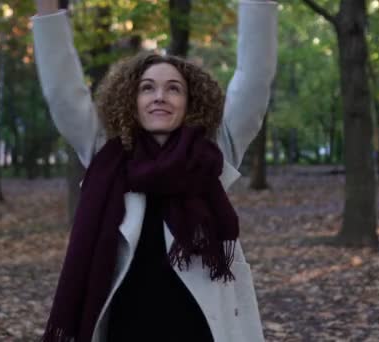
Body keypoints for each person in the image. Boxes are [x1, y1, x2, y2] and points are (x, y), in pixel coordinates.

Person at [31, 0, 277, 341]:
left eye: (173, 88)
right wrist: (47, 11)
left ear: (191, 103)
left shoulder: (212, 154)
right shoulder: (108, 155)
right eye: (147, 88)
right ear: (130, 100)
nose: (160, 96)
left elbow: (254, 80)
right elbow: (63, 92)